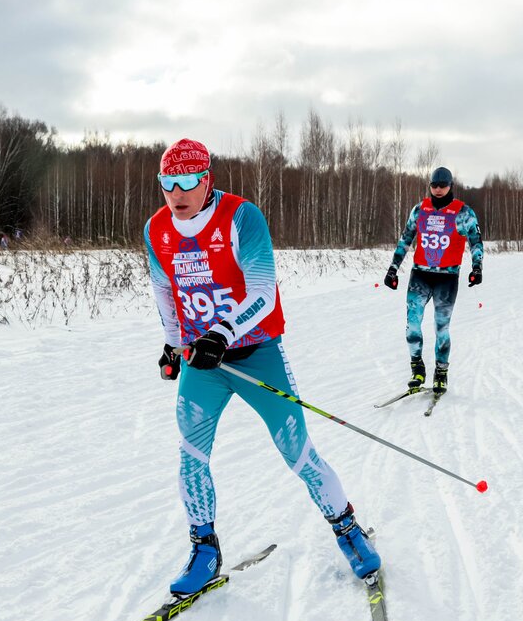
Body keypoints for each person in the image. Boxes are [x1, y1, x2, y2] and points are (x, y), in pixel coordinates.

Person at [144, 138, 381, 597]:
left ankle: (348, 530)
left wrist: (222, 333)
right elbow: (163, 293)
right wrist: (174, 347)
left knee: (298, 453)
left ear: (207, 179)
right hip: (202, 362)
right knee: (191, 456)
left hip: (256, 354)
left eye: (188, 181)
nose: (177, 192)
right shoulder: (157, 230)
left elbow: (262, 292)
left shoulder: (241, 218)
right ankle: (204, 549)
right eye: (167, 183)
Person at [382, 166, 484, 394]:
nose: (438, 190)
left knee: (441, 327)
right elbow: (405, 239)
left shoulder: (463, 212)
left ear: (450, 186)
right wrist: (393, 269)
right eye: (434, 185)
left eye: (443, 185)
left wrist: (477, 267)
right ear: (430, 185)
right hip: (420, 275)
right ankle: (417, 368)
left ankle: (441, 371)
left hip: (447, 278)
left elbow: (476, 241)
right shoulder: (420, 210)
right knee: (412, 325)